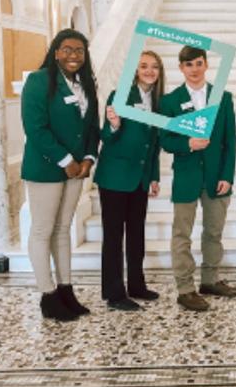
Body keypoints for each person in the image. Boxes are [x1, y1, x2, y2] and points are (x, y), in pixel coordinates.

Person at [20, 28, 100, 321]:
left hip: (78, 169)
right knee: (42, 230)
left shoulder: (86, 84)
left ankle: (66, 290)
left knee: (63, 229)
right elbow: (35, 127)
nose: (73, 56)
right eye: (67, 49)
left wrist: (89, 158)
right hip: (46, 167)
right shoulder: (39, 81)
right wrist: (66, 159)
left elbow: (93, 126)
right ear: (56, 52)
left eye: (79, 51)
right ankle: (48, 295)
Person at [159, 46, 236, 312]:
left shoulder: (222, 97)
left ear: (206, 65)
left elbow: (230, 140)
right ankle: (185, 289)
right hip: (187, 176)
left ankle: (210, 280)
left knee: (213, 232)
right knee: (182, 234)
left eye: (198, 63)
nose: (194, 69)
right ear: (181, 68)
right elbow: (165, 140)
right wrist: (189, 143)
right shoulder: (171, 101)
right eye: (188, 65)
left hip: (217, 177)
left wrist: (227, 175)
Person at [93, 51, 164, 311]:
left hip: (141, 178)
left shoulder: (158, 101)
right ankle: (114, 293)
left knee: (137, 233)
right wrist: (113, 125)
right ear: (135, 70)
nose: (149, 71)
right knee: (114, 236)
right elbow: (107, 137)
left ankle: (136, 284)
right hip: (115, 177)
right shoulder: (119, 95)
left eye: (154, 67)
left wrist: (154, 175)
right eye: (144, 66)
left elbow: (153, 144)